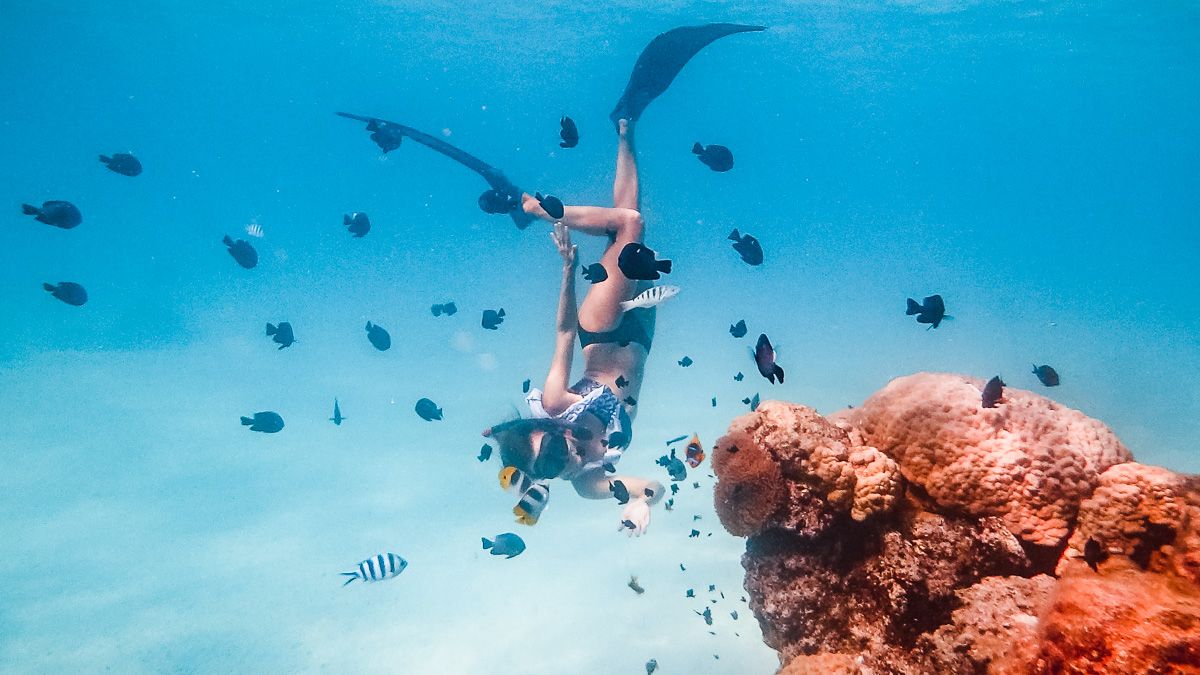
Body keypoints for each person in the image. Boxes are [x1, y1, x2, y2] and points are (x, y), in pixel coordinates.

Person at [485, 119, 663, 535]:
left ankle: (535, 209)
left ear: (548, 427)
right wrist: (641, 501)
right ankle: (626, 128)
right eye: (549, 468)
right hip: (641, 336)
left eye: (551, 448)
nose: (563, 460)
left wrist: (567, 270)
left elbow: (565, 333)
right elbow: (652, 486)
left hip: (601, 330)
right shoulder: (588, 482)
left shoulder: (555, 402)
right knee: (625, 229)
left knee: (630, 226)